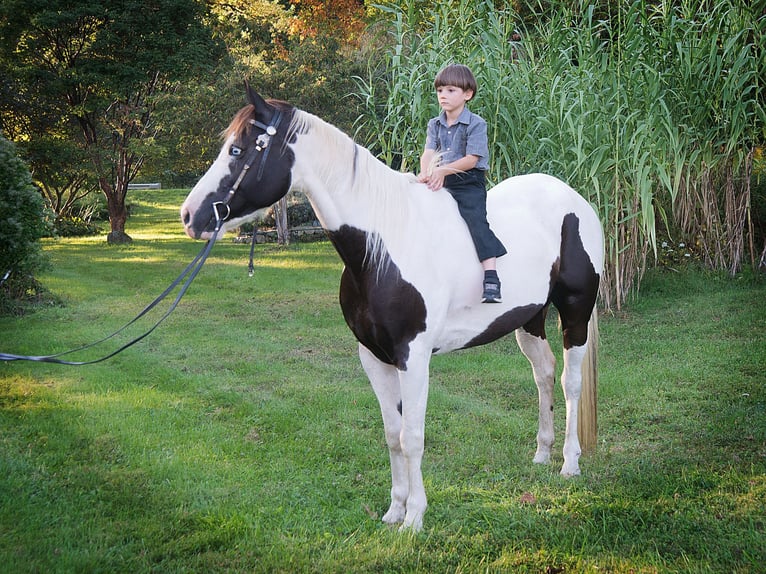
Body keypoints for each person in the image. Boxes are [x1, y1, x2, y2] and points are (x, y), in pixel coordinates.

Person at [417, 63, 507, 303]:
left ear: (467, 94)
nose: (443, 96)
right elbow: (428, 151)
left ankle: (491, 276)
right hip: (441, 177)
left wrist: (443, 171)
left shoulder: (476, 124)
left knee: (476, 220)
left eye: (450, 90)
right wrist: (426, 172)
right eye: (439, 91)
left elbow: (472, 159)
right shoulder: (434, 124)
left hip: (467, 180)